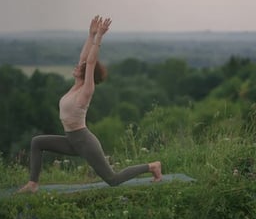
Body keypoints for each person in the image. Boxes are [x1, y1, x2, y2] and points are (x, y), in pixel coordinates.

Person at [18, 16, 162, 193]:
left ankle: (152, 166)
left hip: (84, 141)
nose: (77, 65)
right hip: (71, 140)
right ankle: (33, 184)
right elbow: (84, 57)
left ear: (86, 73)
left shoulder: (86, 90)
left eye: (81, 67)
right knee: (37, 142)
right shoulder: (76, 86)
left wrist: (99, 37)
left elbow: (90, 62)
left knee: (113, 179)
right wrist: (90, 35)